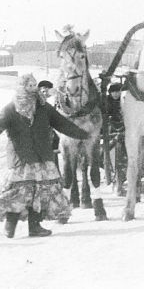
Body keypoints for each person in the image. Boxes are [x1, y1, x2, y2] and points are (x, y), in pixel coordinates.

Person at [0, 74, 89, 238]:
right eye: (29, 86)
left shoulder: (44, 107)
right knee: (18, 193)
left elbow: (61, 123)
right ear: (21, 87)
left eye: (35, 85)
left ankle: (35, 226)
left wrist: (82, 134)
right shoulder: (11, 109)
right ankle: (10, 225)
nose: (34, 89)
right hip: (22, 160)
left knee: (40, 193)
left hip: (42, 157)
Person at [106, 82, 127, 196]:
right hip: (111, 131)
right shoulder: (106, 102)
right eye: (113, 92)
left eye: (118, 91)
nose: (115, 94)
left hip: (124, 129)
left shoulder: (125, 101)